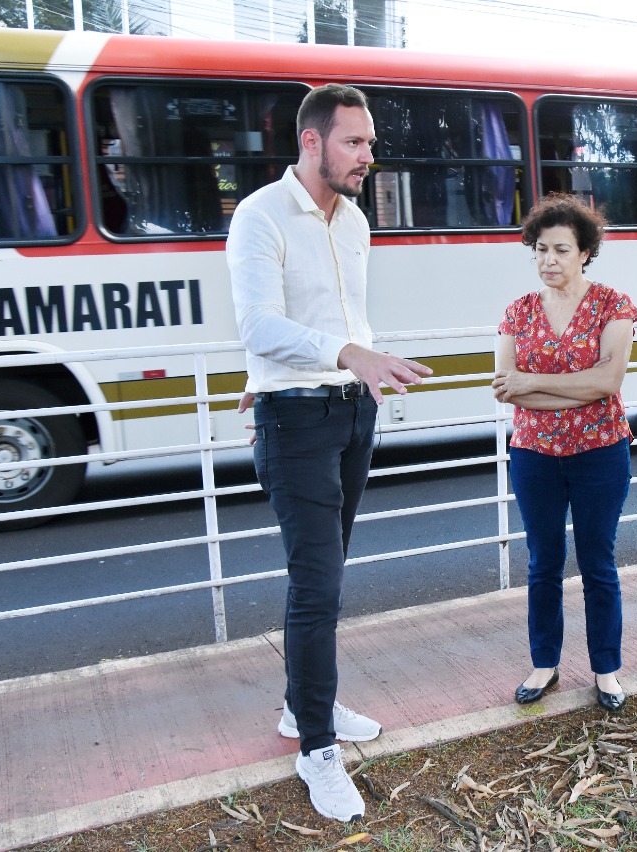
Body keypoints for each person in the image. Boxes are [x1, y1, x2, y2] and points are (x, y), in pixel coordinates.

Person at [227, 83, 432, 823]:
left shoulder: (355, 222)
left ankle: (299, 709)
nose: (368, 157)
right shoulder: (259, 216)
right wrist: (339, 355)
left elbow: (344, 316)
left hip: (351, 416)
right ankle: (317, 746)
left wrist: (367, 360)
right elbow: (258, 325)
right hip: (297, 423)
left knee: (330, 577)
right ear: (311, 142)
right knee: (316, 587)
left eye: (370, 143)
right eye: (355, 142)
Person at [492, 193, 637, 713]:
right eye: (540, 250)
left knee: (599, 563)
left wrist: (535, 383)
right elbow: (505, 390)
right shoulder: (518, 311)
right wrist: (575, 388)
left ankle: (607, 669)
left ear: (584, 252)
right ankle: (544, 664)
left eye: (559, 249)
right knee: (543, 562)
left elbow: (610, 379)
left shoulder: (612, 305)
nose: (548, 260)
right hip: (534, 454)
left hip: (600, 451)